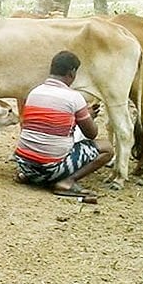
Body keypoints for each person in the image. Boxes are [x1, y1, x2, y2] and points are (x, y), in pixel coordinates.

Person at [13, 50, 114, 197]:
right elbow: (91, 134)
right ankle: (67, 181)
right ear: (72, 73)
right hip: (50, 170)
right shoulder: (74, 97)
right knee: (107, 148)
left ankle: (29, 177)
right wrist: (88, 116)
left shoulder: (34, 92)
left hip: (25, 166)